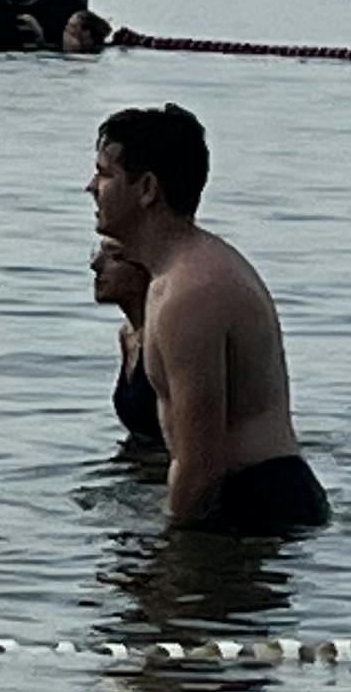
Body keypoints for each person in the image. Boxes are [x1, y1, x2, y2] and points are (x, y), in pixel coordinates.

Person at [88, 102, 328, 531]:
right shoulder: (174, 278)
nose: (91, 187)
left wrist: (173, 557)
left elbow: (201, 464)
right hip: (245, 500)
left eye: (105, 174)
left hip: (257, 506)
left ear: (146, 188)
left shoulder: (192, 292)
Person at [91, 235, 163, 450]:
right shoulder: (128, 335)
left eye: (115, 256)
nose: (95, 265)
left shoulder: (165, 337)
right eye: (98, 253)